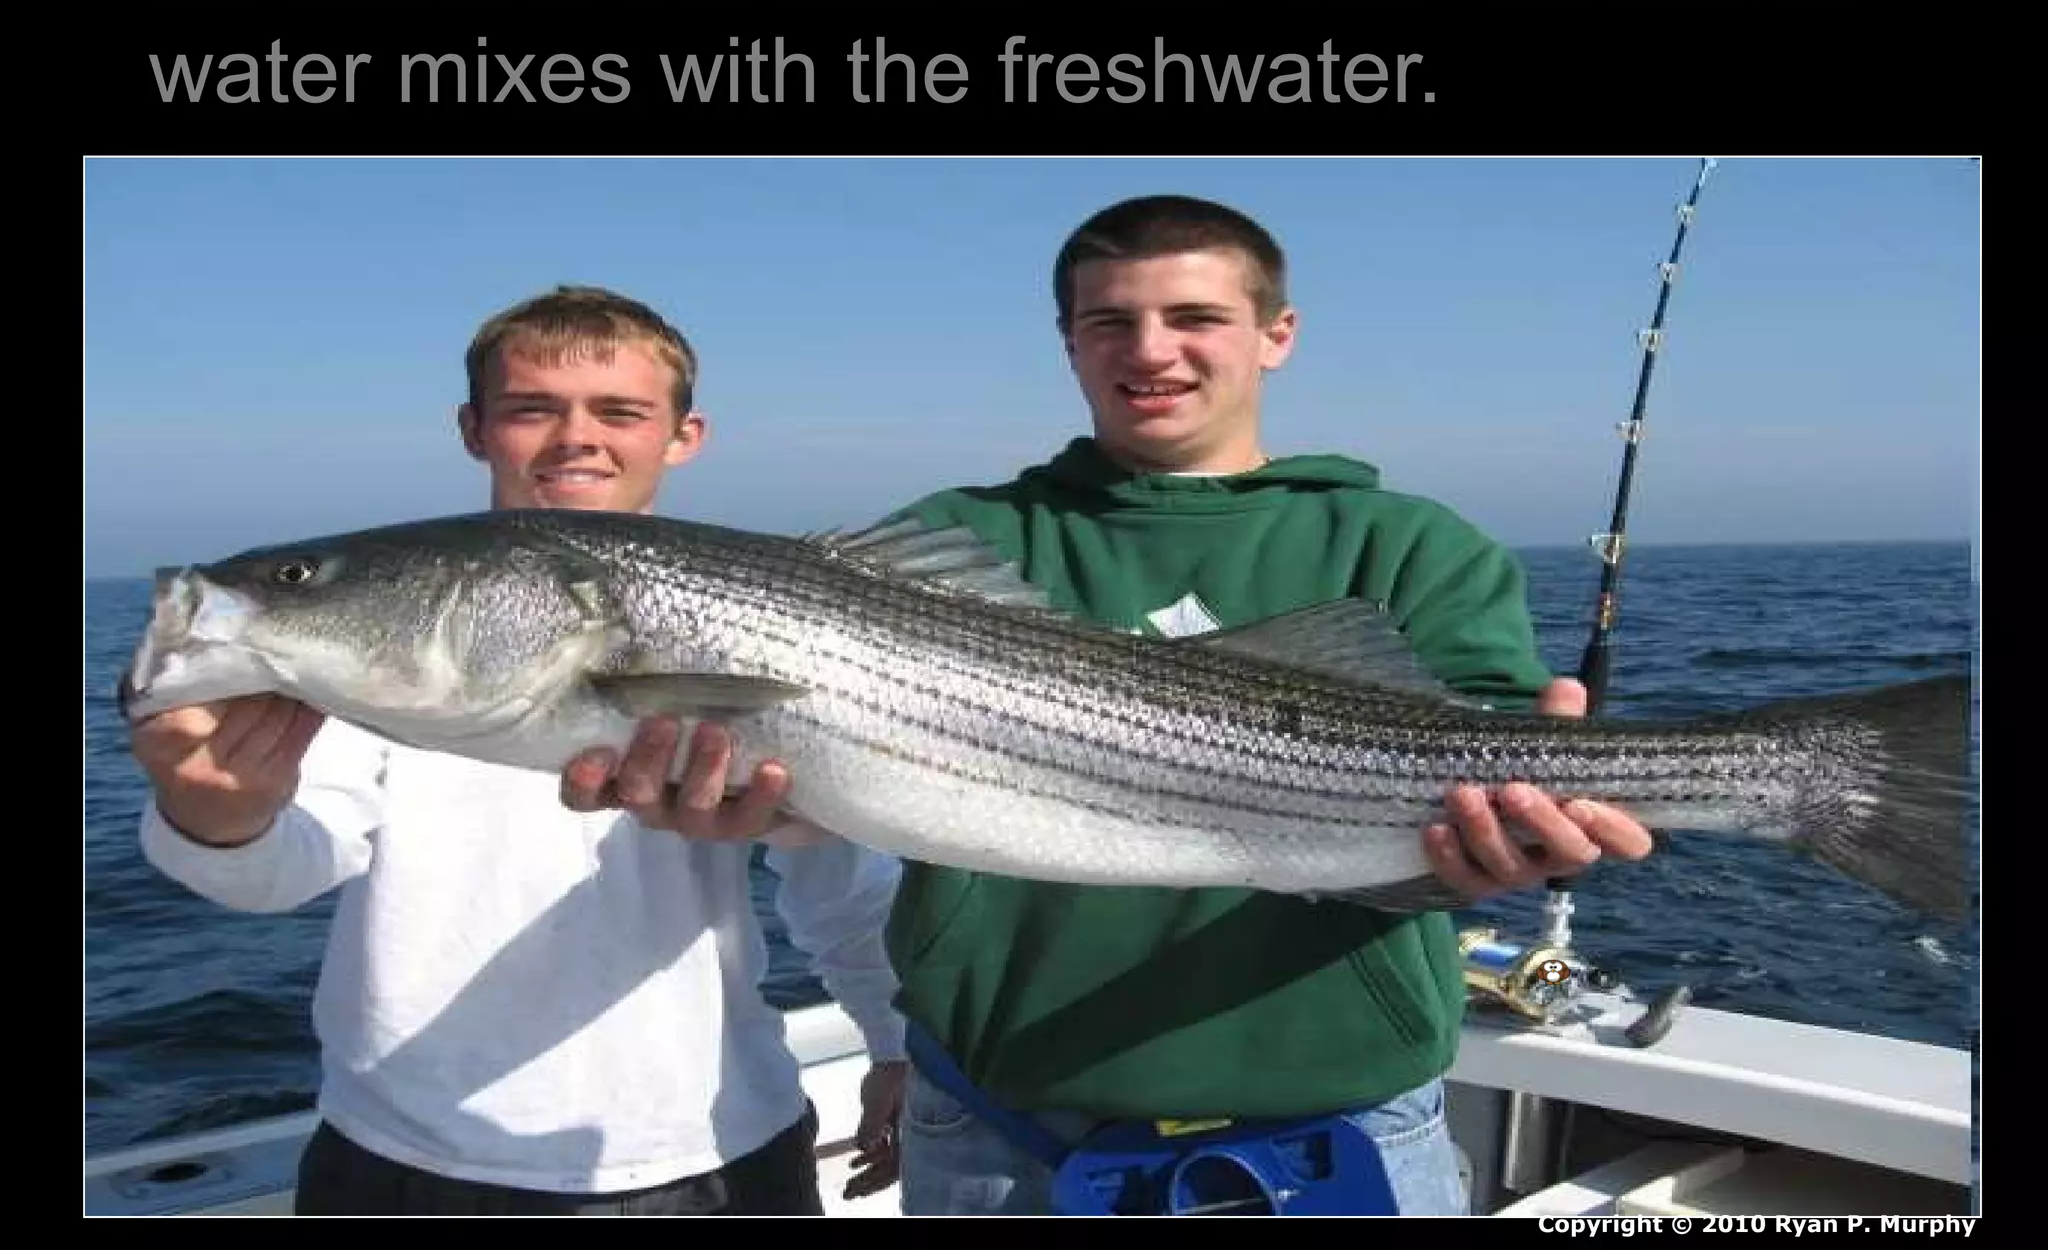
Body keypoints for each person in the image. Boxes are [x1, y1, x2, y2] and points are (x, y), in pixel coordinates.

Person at [571, 197, 1656, 1216]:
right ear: (1070, 342)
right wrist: (753, 806)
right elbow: (842, 789)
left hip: (1344, 1128)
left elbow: (1495, 783)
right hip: (999, 1129)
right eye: (1110, 322)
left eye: (1194, 317)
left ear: (1275, 333)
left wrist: (1519, 837)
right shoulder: (954, 540)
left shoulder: (1409, 542)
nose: (1149, 351)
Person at [127, 285, 909, 1216]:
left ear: (683, 434)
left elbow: (842, 888)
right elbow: (279, 872)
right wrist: (217, 815)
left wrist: (895, 1044)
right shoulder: (356, 659)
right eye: (532, 407)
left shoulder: (768, 621)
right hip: (408, 1158)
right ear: (474, 428)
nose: (577, 437)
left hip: (719, 1144)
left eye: (620, 411)